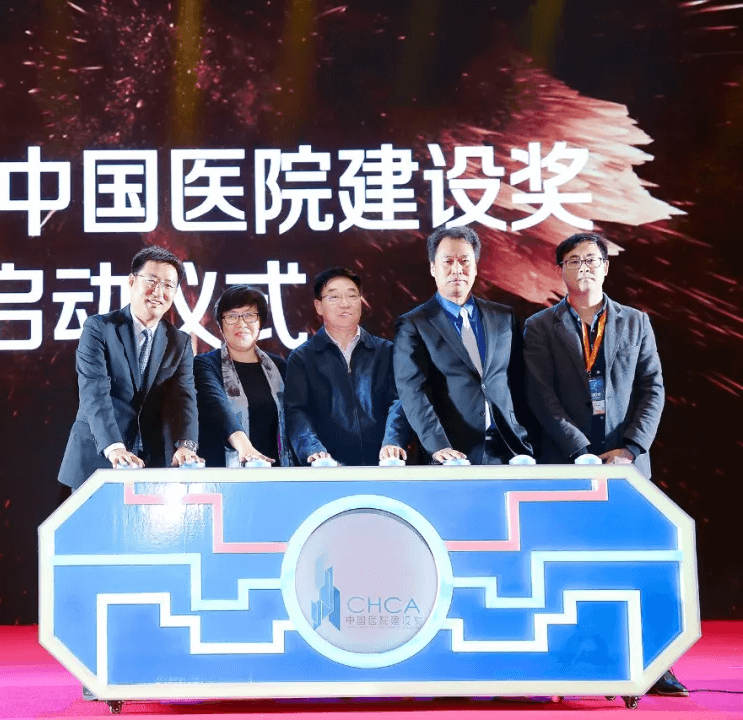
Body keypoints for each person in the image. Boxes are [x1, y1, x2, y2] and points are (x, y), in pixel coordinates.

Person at [523, 232, 685, 697]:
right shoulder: (539, 326)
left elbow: (653, 388)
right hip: (567, 462)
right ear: (560, 270)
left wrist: (631, 447)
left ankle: (654, 664)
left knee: (636, 564)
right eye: (574, 261)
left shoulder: (636, 321)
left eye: (592, 260)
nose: (584, 268)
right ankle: (570, 659)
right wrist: (580, 451)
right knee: (569, 565)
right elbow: (541, 397)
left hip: (627, 465)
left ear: (606, 267)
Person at [57, 245, 201, 491]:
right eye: (151, 281)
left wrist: (186, 445)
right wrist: (114, 448)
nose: (158, 292)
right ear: (132, 281)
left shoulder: (180, 341)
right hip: (99, 457)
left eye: (168, 285)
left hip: (153, 463)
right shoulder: (99, 328)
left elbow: (184, 397)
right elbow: (94, 392)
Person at [394, 226, 533, 464]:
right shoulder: (414, 325)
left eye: (465, 261)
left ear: (476, 267)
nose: (457, 269)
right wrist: (438, 446)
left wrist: (528, 438)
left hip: (510, 449)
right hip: (452, 453)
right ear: (433, 268)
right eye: (447, 261)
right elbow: (413, 392)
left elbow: (521, 382)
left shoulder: (504, 317)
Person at [284, 267, 410, 466]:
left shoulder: (386, 351)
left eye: (352, 296)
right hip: (327, 468)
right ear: (318, 306)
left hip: (384, 465)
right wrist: (313, 450)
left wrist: (392, 441)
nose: (344, 304)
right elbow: (297, 413)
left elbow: (399, 401)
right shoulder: (302, 358)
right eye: (334, 297)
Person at [194, 286, 293, 468]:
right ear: (221, 325)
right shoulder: (204, 364)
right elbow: (218, 406)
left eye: (249, 315)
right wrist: (244, 447)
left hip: (275, 473)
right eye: (232, 316)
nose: (241, 323)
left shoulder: (279, 367)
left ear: (260, 322)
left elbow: (296, 417)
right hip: (225, 474)